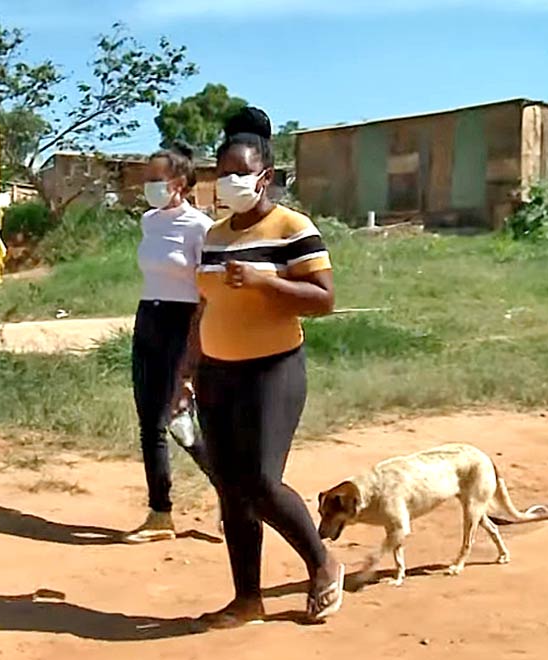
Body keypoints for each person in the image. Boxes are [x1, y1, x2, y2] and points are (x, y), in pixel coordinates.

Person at [193, 107, 346, 625]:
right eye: (222, 172)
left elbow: (323, 299)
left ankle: (322, 561)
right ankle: (246, 599)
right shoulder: (213, 235)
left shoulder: (292, 227)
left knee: (261, 479)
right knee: (229, 486)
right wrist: (184, 373)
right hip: (216, 372)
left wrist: (266, 283)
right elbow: (203, 305)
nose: (229, 181)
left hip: (272, 370)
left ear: (265, 177)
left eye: (240, 171)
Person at [121, 144, 212, 544]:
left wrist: (194, 345)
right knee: (150, 425)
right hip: (149, 318)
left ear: (179, 183)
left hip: (182, 321)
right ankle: (161, 514)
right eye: (148, 180)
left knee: (179, 421)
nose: (149, 187)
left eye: (156, 179)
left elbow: (205, 290)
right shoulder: (148, 222)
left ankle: (233, 493)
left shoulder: (200, 227)